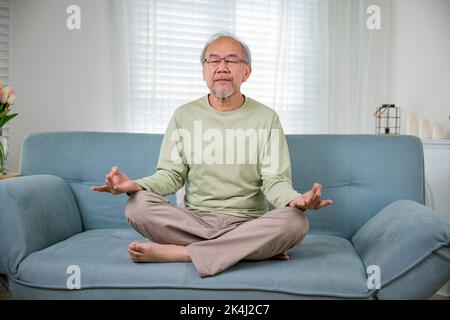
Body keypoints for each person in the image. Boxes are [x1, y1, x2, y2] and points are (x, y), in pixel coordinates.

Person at [91, 32, 333, 277]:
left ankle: (184, 253)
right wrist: (136, 185)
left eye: (231, 60)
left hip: (247, 223)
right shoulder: (183, 115)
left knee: (296, 222)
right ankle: (248, 249)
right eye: (213, 60)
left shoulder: (267, 118)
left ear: (246, 72)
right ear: (204, 71)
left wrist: (296, 200)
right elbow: (171, 175)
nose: (222, 67)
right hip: (194, 222)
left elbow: (275, 180)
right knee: (137, 206)